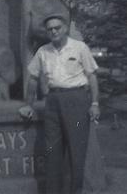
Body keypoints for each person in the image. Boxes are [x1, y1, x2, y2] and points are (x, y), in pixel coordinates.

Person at [19, 14, 100, 194]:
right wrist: (28, 104)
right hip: (53, 101)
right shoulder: (43, 51)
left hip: (77, 99)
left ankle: (75, 191)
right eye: (50, 29)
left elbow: (92, 76)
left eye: (57, 28)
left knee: (76, 151)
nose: (54, 31)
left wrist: (94, 103)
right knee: (52, 150)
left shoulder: (79, 48)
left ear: (65, 29)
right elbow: (32, 78)